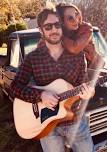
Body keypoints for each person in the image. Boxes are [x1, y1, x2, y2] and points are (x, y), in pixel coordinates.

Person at [10, 8, 95, 152]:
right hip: (47, 127)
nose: (54, 30)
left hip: (76, 123)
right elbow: (15, 87)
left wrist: (89, 93)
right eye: (48, 27)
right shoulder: (33, 58)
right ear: (41, 30)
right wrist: (41, 95)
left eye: (57, 25)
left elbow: (85, 85)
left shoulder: (79, 56)